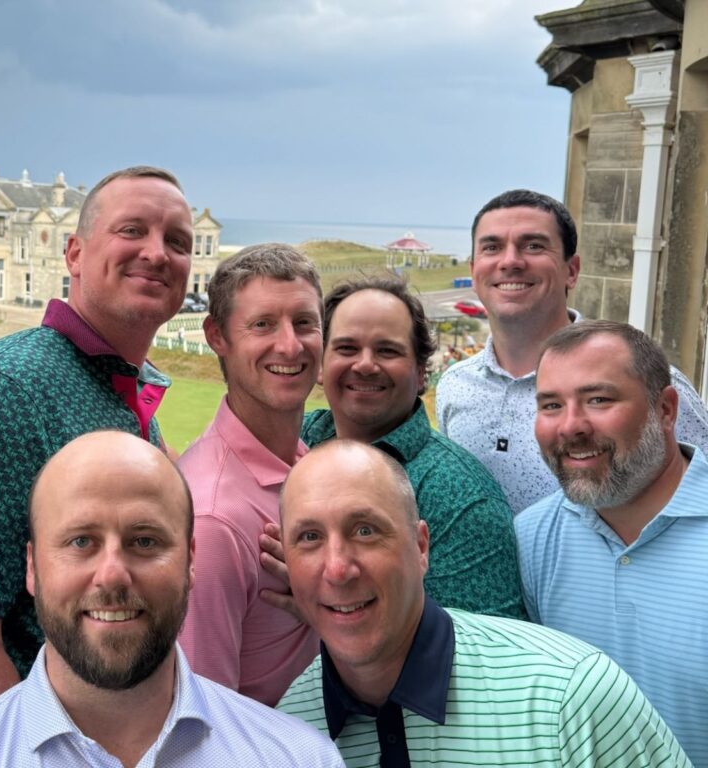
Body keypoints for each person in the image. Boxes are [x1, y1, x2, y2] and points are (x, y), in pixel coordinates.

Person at [0, 166, 196, 748]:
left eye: (177, 241)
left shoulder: (119, 392)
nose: (157, 253)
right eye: (132, 231)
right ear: (74, 253)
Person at [0, 431, 345, 767]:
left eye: (145, 541)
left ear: (191, 560)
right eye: (80, 542)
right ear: (32, 566)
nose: (112, 574)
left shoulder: (301, 759)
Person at [277, 440, 691, 767]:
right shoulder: (285, 735)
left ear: (422, 547)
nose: (337, 569)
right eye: (309, 537)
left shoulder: (568, 698)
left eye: (365, 530)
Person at [436, 189, 708, 513]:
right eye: (492, 247)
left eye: (533, 245)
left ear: (572, 270)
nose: (510, 261)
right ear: (473, 270)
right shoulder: (455, 386)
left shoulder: (646, 382)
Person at [516, 320, 708, 765]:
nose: (571, 427)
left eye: (598, 399)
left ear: (665, 409)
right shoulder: (532, 538)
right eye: (550, 405)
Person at [298, 274, 525, 618]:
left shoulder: (461, 498)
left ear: (421, 373)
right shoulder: (296, 441)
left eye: (387, 351)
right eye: (347, 348)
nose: (364, 364)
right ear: (320, 364)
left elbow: (484, 652)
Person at [177, 243, 322, 705]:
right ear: (217, 336)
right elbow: (203, 718)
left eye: (304, 322)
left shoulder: (301, 460)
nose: (290, 345)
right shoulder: (214, 518)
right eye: (263, 324)